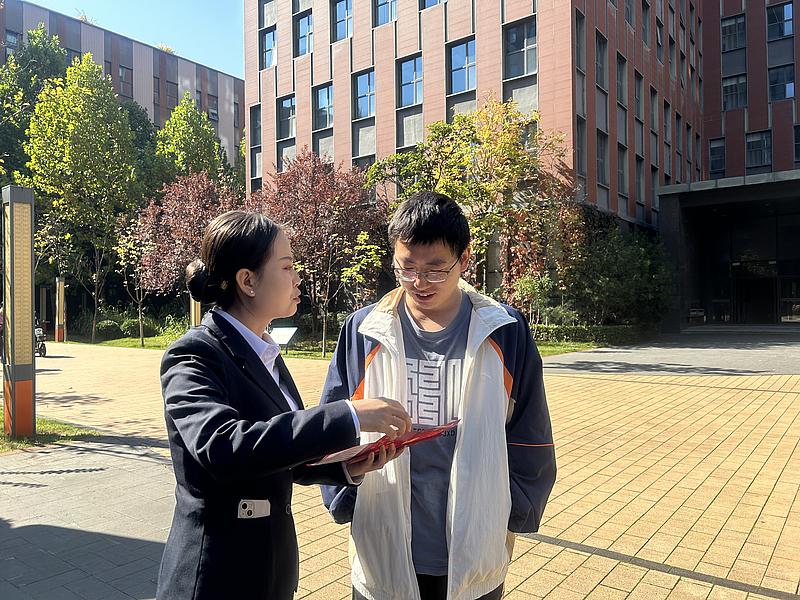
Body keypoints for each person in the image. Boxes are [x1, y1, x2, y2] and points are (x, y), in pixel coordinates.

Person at [156, 210, 411, 600]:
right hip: (217, 575)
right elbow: (223, 447)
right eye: (287, 266)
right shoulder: (194, 354)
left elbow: (277, 451)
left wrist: (345, 466)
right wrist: (349, 414)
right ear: (248, 281)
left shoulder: (263, 351)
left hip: (270, 570)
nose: (298, 278)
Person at [320, 192, 557, 600]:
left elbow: (529, 430)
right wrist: (343, 496)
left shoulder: (504, 330)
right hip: (383, 543)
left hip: (475, 549)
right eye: (407, 268)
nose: (419, 282)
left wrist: (513, 510)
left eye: (435, 270)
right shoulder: (363, 331)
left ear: (464, 260)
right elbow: (334, 422)